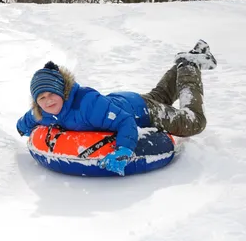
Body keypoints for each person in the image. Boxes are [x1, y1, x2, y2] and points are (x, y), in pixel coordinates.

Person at [16, 40, 217, 176]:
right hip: (126, 100)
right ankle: (182, 63)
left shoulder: (87, 104)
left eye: (52, 94)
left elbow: (125, 121)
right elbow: (30, 119)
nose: (48, 101)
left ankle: (190, 65)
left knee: (194, 122)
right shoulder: (46, 113)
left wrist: (123, 150)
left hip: (142, 111)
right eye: (41, 98)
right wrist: (21, 127)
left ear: (63, 92)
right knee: (161, 96)